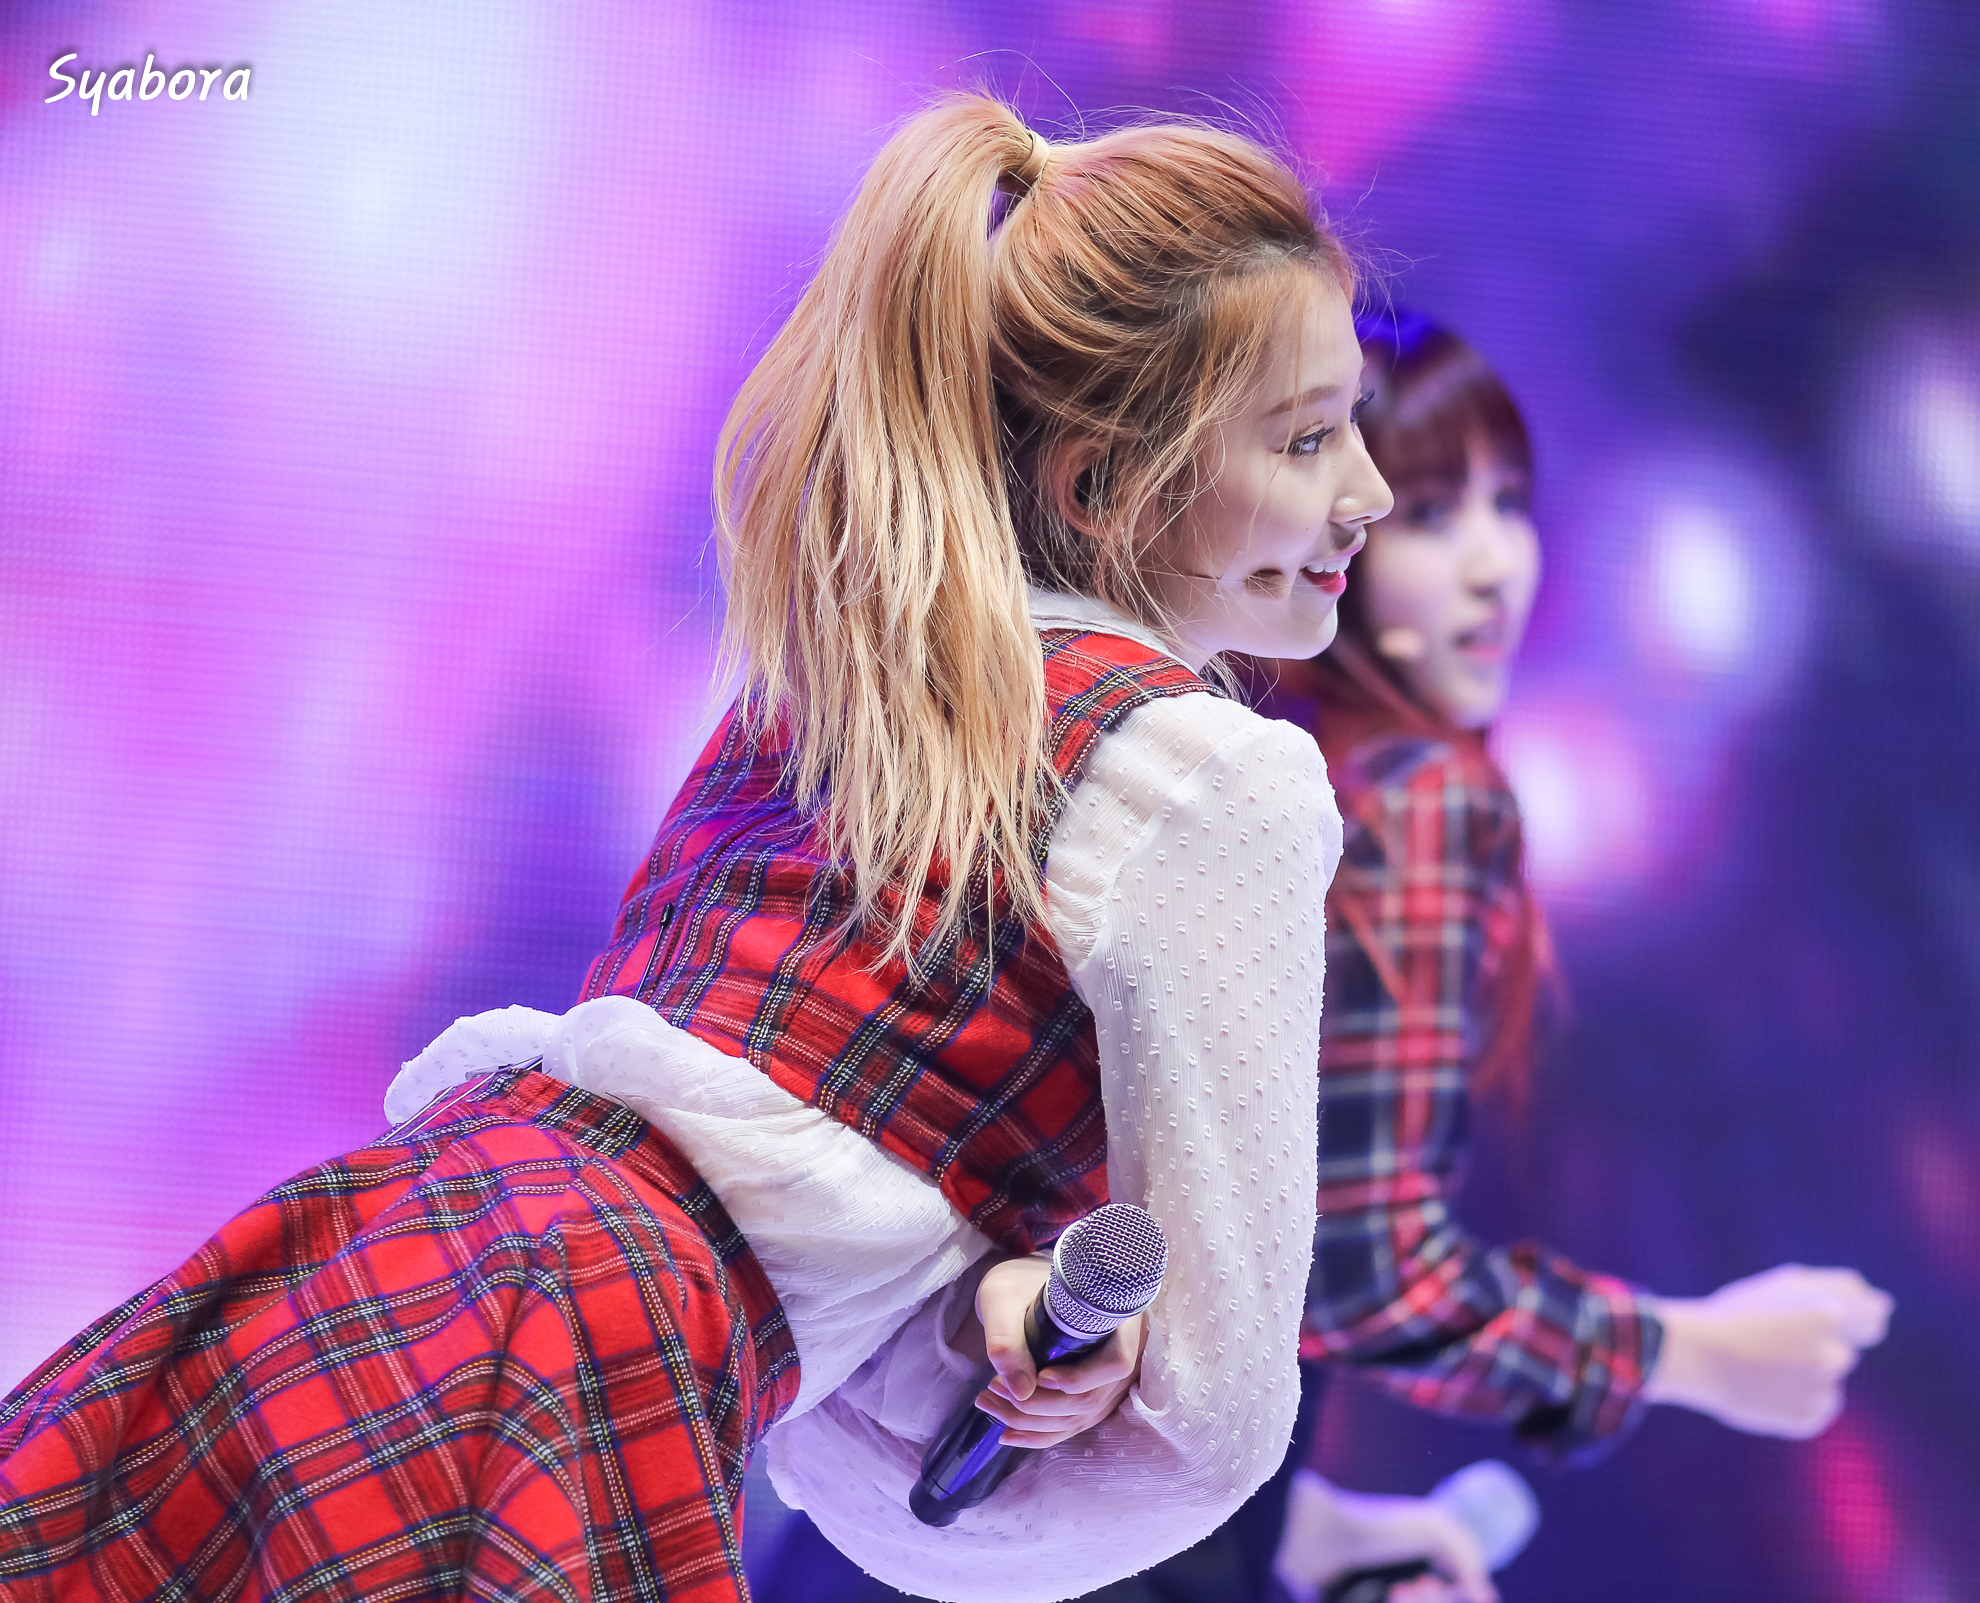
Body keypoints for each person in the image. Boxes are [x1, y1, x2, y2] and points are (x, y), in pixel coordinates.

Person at [0, 96, 1392, 1603]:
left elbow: (765, 1170)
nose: (1370, 494)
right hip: (581, 1360)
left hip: (386, 1255)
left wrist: (969, 1331)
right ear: (1103, 483)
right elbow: (1206, 1422)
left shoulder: (827, 690)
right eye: (1308, 438)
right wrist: (994, 1457)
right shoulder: (1218, 779)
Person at [1263, 308, 1893, 1596]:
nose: (1496, 564)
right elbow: (1360, 1273)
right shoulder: (1416, 798)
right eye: (1429, 515)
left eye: (1510, 505)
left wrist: (1304, 1529)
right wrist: (1694, 1354)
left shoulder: (1235, 765)